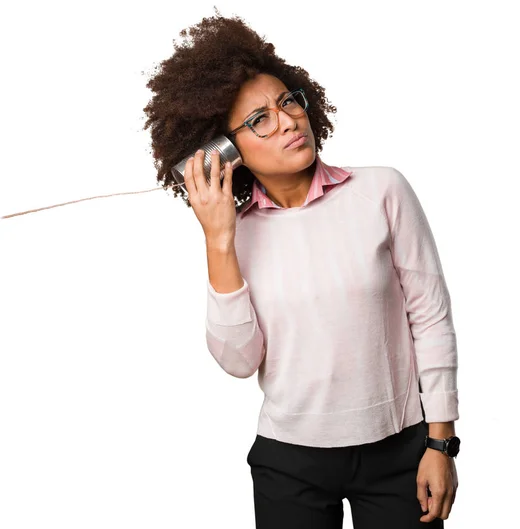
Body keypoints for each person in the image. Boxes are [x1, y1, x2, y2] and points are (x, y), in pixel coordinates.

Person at [142, 9, 460, 529]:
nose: (288, 120)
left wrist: (441, 443)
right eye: (259, 120)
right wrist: (219, 239)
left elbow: (431, 318)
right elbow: (240, 362)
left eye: (288, 100)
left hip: (399, 450)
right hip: (290, 461)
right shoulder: (237, 233)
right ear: (223, 151)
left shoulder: (382, 190)